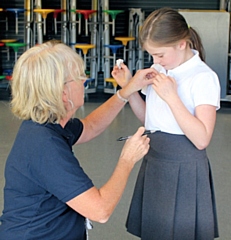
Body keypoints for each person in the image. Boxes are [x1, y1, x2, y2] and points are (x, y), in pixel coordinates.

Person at [0, 40, 155, 240]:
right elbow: (100, 211)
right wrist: (127, 159)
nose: (85, 80)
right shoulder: (44, 146)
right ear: (62, 92)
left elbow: (90, 126)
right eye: (79, 76)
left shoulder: (47, 123)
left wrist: (126, 91)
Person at [112, 7, 220, 240]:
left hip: (184, 166)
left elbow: (202, 139)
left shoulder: (203, 77)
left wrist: (172, 97)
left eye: (160, 54)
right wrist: (128, 87)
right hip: (155, 160)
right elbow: (149, 119)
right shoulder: (161, 69)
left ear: (182, 44)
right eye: (152, 55)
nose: (155, 61)